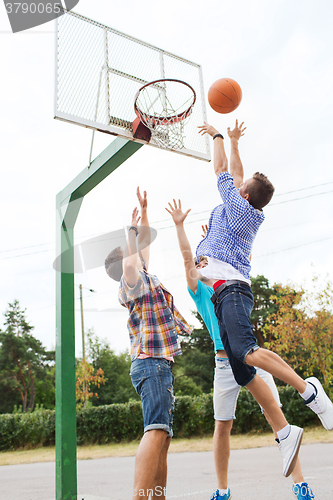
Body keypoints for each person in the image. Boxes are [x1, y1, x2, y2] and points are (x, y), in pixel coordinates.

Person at [194, 121, 333, 461]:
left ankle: (308, 389)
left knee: (248, 351)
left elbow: (222, 169)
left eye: (240, 187)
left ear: (242, 195)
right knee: (243, 370)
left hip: (232, 291)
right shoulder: (244, 208)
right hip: (222, 291)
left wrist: (218, 137)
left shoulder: (238, 207)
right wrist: (237, 142)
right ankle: (286, 434)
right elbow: (238, 176)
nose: (236, 186)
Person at [166, 199, 316, 500]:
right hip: (224, 365)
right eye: (201, 261)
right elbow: (186, 259)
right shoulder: (199, 290)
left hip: (250, 356)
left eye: (209, 258)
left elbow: (238, 249)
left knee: (277, 419)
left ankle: (300, 484)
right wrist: (181, 226)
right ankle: (222, 490)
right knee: (222, 426)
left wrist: (216, 238)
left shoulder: (234, 281)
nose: (204, 262)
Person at [105, 187, 192, 500]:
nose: (141, 256)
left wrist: (144, 212)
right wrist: (130, 232)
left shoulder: (144, 278)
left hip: (159, 365)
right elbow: (132, 263)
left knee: (163, 437)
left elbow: (143, 253)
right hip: (150, 363)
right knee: (155, 430)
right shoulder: (130, 283)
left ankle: (158, 497)